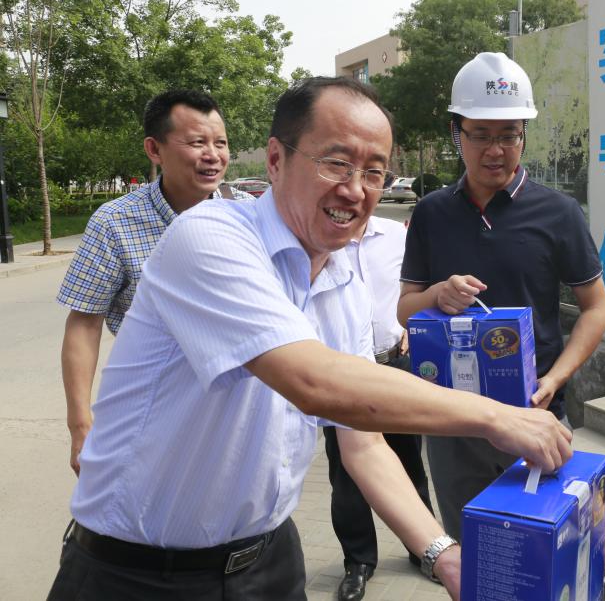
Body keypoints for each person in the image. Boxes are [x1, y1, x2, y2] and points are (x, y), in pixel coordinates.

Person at [46, 76, 572, 601]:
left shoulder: (344, 280)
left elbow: (363, 443)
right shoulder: (208, 237)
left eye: (374, 171)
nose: (356, 190)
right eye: (336, 163)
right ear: (276, 160)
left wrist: (442, 554)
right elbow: (315, 383)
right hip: (136, 574)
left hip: (268, 563)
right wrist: (497, 417)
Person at [397, 52, 605, 538]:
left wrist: (555, 378)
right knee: (469, 548)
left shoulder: (559, 213)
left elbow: (597, 307)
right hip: (453, 420)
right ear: (457, 133)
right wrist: (437, 294)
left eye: (509, 135)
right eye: (480, 135)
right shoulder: (432, 213)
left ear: (523, 135)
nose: (495, 150)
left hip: (535, 415)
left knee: (540, 548)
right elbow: (406, 310)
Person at [57, 89, 253, 476]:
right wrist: (80, 425)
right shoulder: (114, 222)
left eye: (220, 143)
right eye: (197, 142)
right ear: (154, 149)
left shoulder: (248, 215)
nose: (213, 155)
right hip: (148, 409)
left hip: (236, 411)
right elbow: (84, 323)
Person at [325, 211, 434, 601]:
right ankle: (358, 562)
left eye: (370, 180)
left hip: (394, 363)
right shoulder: (321, 241)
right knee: (347, 474)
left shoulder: (395, 235)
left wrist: (411, 327)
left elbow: (418, 288)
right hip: (342, 374)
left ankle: (423, 549)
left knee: (409, 462)